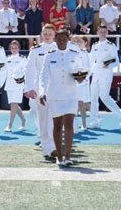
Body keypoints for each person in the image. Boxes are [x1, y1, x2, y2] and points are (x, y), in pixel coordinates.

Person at [40, 29, 85, 166]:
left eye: (64, 39)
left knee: (69, 124)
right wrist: (42, 92)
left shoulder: (75, 54)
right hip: (54, 95)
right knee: (57, 125)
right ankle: (59, 156)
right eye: (59, 39)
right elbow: (44, 76)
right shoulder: (50, 56)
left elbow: (82, 71)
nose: (61, 42)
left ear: (68, 39)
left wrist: (81, 77)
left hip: (71, 95)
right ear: (55, 40)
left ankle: (68, 155)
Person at [24, 24, 57, 158]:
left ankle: (54, 146)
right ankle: (46, 147)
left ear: (54, 35)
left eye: (50, 33)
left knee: (55, 119)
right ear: (41, 35)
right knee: (43, 120)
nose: (48, 36)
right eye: (45, 33)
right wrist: (29, 88)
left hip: (56, 89)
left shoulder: (59, 48)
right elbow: (30, 69)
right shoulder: (36, 50)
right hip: (40, 89)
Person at [89, 25, 121, 128]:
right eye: (100, 31)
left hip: (106, 74)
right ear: (97, 32)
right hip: (96, 74)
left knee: (104, 96)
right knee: (93, 97)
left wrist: (108, 65)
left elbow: (116, 61)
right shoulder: (94, 46)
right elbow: (91, 62)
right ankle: (94, 120)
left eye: (104, 32)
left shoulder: (111, 45)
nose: (102, 33)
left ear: (107, 33)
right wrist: (87, 75)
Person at [4, 40, 27, 132]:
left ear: (19, 48)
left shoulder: (22, 58)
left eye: (16, 48)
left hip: (18, 83)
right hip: (9, 83)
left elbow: (25, 71)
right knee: (14, 104)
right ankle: (23, 119)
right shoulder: (7, 58)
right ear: (10, 48)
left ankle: (9, 125)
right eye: (12, 48)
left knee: (14, 103)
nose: (14, 50)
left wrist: (20, 78)